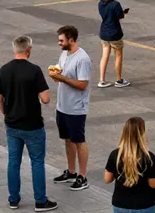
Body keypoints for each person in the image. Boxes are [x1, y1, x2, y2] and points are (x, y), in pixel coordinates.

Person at [0, 35, 57, 212]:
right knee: (37, 162)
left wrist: (6, 113)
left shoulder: (4, 70)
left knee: (13, 162)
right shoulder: (34, 70)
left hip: (12, 125)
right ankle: (40, 201)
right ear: (28, 50)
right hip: (33, 125)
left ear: (15, 49)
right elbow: (45, 98)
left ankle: (13, 199)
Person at [51, 24, 92, 192]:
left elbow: (83, 84)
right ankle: (71, 171)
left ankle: (83, 175)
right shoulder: (64, 53)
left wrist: (61, 78)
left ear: (71, 40)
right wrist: (57, 74)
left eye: (62, 40)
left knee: (79, 141)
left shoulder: (83, 59)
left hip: (76, 108)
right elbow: (63, 73)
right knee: (68, 139)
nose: (59, 43)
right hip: (63, 105)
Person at [104, 116, 155, 213]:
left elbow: (107, 179)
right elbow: (154, 184)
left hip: (120, 203)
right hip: (143, 204)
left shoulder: (115, 155)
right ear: (142, 134)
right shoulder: (149, 157)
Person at [98, 0, 130, 89]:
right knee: (118, 55)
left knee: (105, 56)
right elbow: (120, 16)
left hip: (104, 33)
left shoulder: (100, 3)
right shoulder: (116, 4)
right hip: (114, 33)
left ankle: (102, 80)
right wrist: (124, 13)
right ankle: (119, 80)